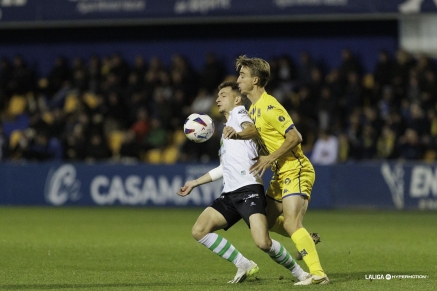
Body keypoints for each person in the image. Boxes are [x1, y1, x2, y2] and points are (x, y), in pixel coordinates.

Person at [177, 81, 310, 284]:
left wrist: (238, 134)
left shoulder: (240, 115)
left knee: (263, 242)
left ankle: (300, 273)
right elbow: (225, 168)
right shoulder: (227, 131)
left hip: (248, 188)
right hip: (230, 193)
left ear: (237, 99)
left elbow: (252, 130)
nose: (217, 99)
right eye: (217, 95)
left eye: (223, 95)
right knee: (199, 230)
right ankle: (243, 263)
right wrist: (195, 182)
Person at [223, 55, 329, 285]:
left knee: (291, 222)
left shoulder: (270, 106)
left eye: (243, 76)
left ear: (256, 81)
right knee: (265, 221)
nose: (238, 80)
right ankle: (304, 238)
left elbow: (295, 137)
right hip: (280, 174)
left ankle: (318, 274)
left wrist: (269, 158)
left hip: (295, 168)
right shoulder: (253, 110)